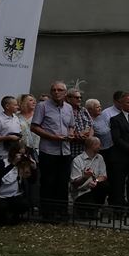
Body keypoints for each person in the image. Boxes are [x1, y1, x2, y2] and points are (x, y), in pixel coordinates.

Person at [30, 81, 76, 217]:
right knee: (48, 182)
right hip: (48, 150)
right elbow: (34, 127)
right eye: (54, 90)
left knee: (63, 182)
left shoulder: (68, 108)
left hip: (65, 151)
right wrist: (52, 137)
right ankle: (47, 213)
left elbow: (71, 125)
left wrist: (71, 134)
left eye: (60, 90)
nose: (56, 92)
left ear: (65, 93)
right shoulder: (42, 106)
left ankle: (61, 212)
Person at [0, 139, 36, 225]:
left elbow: (32, 181)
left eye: (24, 154)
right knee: (1, 207)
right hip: (1, 196)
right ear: (13, 153)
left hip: (15, 196)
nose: (22, 157)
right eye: (20, 154)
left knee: (24, 204)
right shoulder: (2, 162)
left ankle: (15, 216)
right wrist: (13, 163)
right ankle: (1, 217)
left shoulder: (22, 165)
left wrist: (34, 168)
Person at [70, 136, 109, 214]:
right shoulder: (77, 160)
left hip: (94, 189)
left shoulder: (100, 157)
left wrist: (96, 181)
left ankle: (97, 207)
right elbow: (75, 183)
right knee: (87, 213)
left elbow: (103, 176)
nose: (100, 147)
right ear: (92, 146)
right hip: (81, 192)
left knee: (105, 185)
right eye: (98, 145)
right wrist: (85, 177)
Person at [0, 95, 22, 162]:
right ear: (7, 106)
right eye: (15, 105)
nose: (18, 107)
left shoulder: (16, 118)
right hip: (3, 154)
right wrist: (9, 137)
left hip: (15, 153)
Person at [66, 87, 94, 157]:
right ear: (68, 99)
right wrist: (78, 135)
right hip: (72, 150)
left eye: (80, 97)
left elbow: (91, 126)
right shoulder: (65, 111)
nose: (79, 99)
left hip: (85, 150)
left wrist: (89, 139)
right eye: (76, 98)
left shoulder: (83, 110)